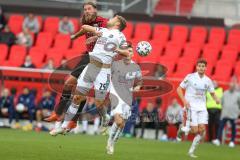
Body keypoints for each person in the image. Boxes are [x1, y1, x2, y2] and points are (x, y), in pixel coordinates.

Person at [49, 14, 128, 136]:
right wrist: (76, 35)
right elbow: (85, 27)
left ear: (117, 24)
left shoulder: (120, 36)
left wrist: (117, 50)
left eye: (113, 18)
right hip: (90, 68)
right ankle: (63, 126)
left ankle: (105, 117)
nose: (109, 19)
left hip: (103, 72)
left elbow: (127, 52)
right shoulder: (103, 31)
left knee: (98, 103)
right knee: (76, 98)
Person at [44, 2, 108, 129]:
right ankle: (57, 114)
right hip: (87, 56)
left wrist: (94, 38)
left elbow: (106, 34)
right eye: (85, 9)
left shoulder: (103, 21)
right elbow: (84, 29)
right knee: (69, 83)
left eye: (89, 9)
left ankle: (74, 120)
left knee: (82, 92)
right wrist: (75, 36)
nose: (87, 11)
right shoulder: (85, 20)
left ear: (95, 10)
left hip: (99, 58)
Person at [176, 58, 220, 158]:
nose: (201, 68)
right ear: (196, 67)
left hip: (202, 108)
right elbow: (179, 89)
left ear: (206, 68)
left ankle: (191, 151)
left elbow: (212, 93)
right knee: (195, 130)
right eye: (199, 66)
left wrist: (216, 99)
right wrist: (184, 101)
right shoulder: (190, 77)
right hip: (191, 107)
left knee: (202, 130)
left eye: (203, 66)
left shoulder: (208, 80)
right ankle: (181, 130)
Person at [107, 44, 142, 154]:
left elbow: (139, 81)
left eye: (130, 51)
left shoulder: (136, 67)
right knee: (118, 120)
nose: (128, 53)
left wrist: (138, 86)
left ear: (132, 54)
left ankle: (116, 136)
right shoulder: (115, 64)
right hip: (116, 94)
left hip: (127, 97)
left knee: (122, 124)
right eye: (126, 51)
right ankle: (110, 142)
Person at [212, 82, 240, 148]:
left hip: (233, 114)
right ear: (229, 86)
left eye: (233, 86)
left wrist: (238, 112)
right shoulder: (225, 93)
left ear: (234, 87)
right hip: (224, 113)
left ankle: (232, 141)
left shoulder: (238, 95)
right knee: (220, 127)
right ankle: (218, 140)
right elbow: (222, 102)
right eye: (230, 86)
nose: (231, 87)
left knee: (233, 128)